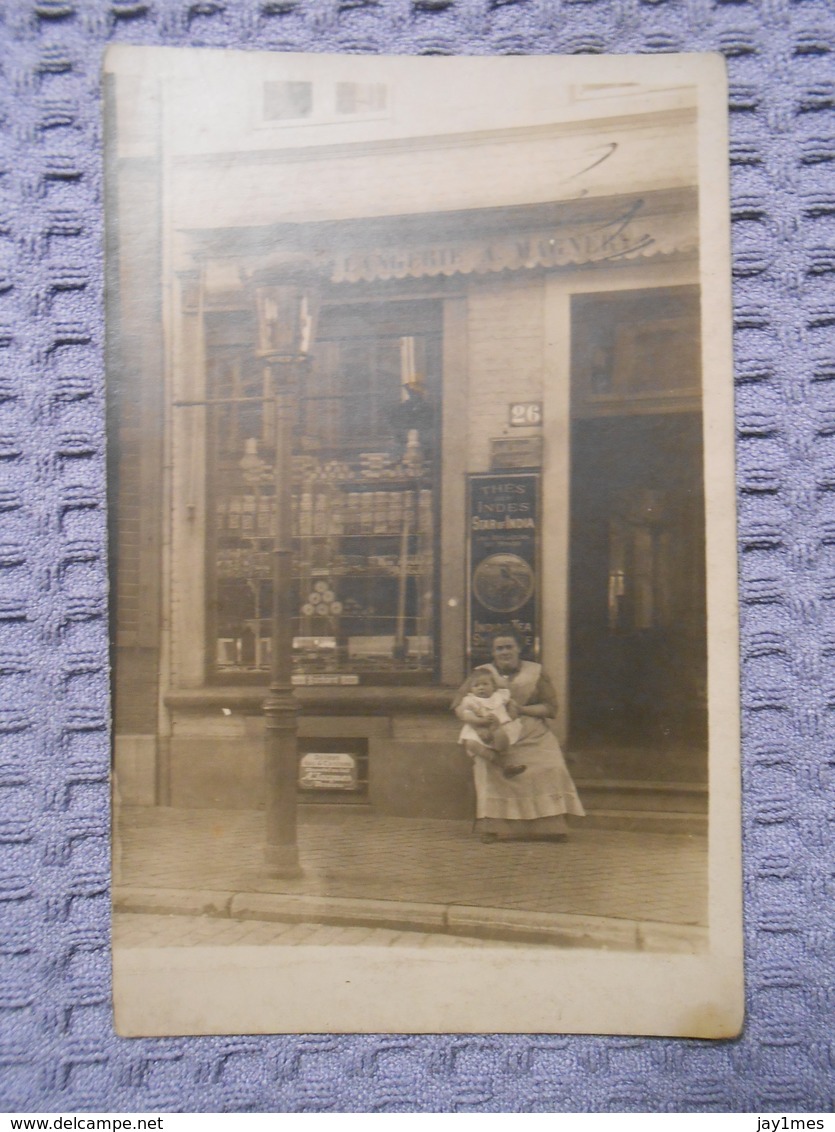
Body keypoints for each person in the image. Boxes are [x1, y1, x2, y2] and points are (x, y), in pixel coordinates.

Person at [452, 629, 585, 842]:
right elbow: (459, 704)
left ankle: (551, 828)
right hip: (496, 733)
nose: (505, 652)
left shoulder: (536, 672)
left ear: (519, 648)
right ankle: (493, 827)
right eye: (499, 648)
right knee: (490, 768)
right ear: (493, 652)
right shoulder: (482, 673)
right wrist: (476, 722)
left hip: (532, 732)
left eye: (509, 647)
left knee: (551, 766)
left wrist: (521, 710)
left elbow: (551, 709)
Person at [456, 668, 527, 779]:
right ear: (471, 689)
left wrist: (512, 714)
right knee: (470, 743)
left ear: (493, 686)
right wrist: (480, 721)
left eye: (485, 684)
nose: (481, 688)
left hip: (500, 727)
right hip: (479, 727)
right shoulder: (471, 700)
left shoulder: (499, 696)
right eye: (476, 685)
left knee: (501, 736)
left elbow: (511, 702)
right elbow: (466, 716)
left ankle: (503, 755)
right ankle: (503, 764)